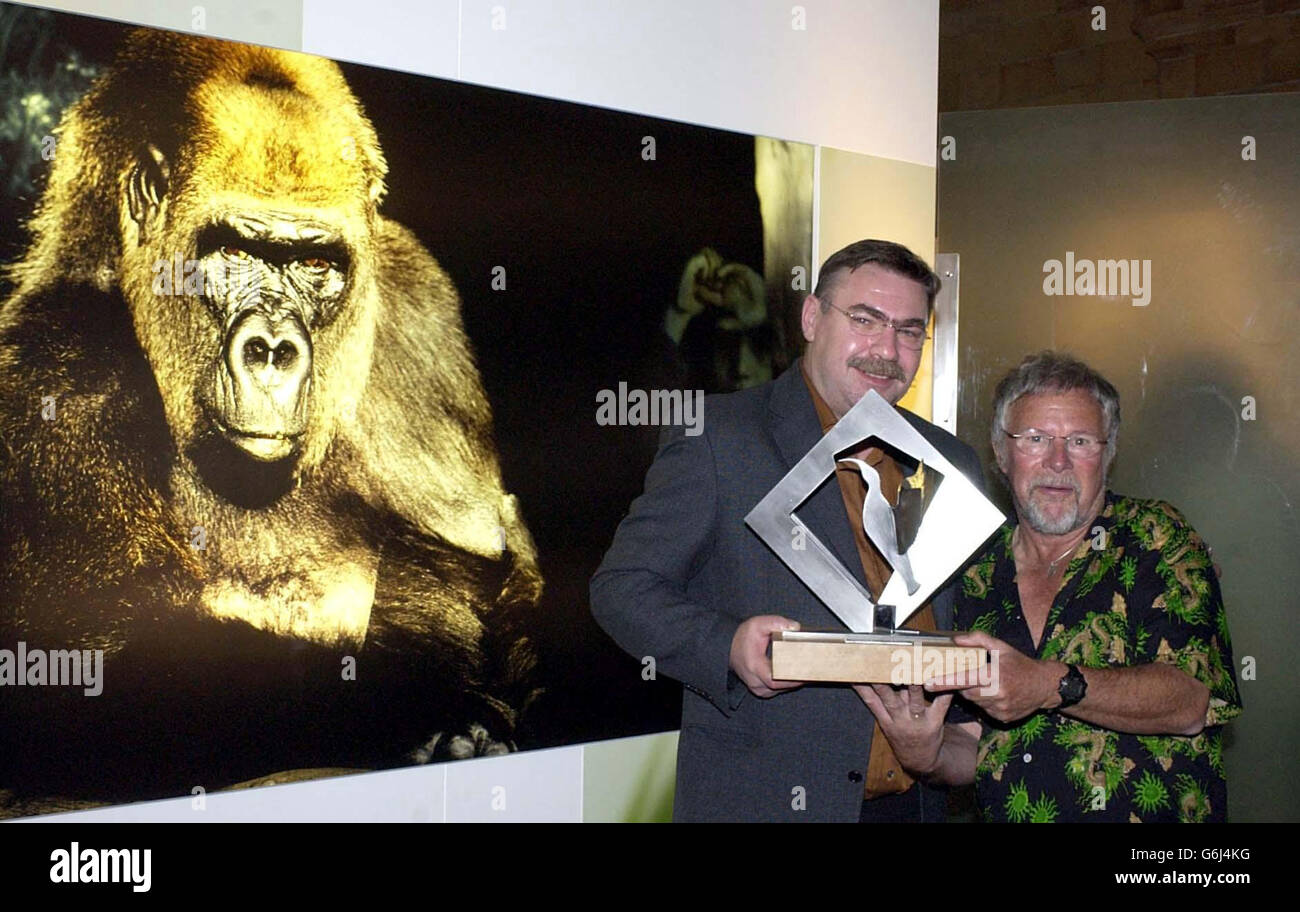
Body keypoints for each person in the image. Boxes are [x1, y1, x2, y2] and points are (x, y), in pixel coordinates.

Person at [590, 239, 984, 822]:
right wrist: (726, 645)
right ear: (810, 317)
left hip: (914, 805)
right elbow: (620, 588)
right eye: (865, 320)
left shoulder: (949, 459)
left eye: (908, 330)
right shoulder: (718, 439)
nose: (886, 349)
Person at [863, 351, 1243, 822]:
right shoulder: (973, 569)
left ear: (1108, 454)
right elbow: (975, 743)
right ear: (1002, 454)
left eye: (1080, 441)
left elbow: (1190, 700)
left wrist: (1048, 684)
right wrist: (928, 753)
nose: (1058, 461)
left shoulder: (1157, 536)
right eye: (1036, 439)